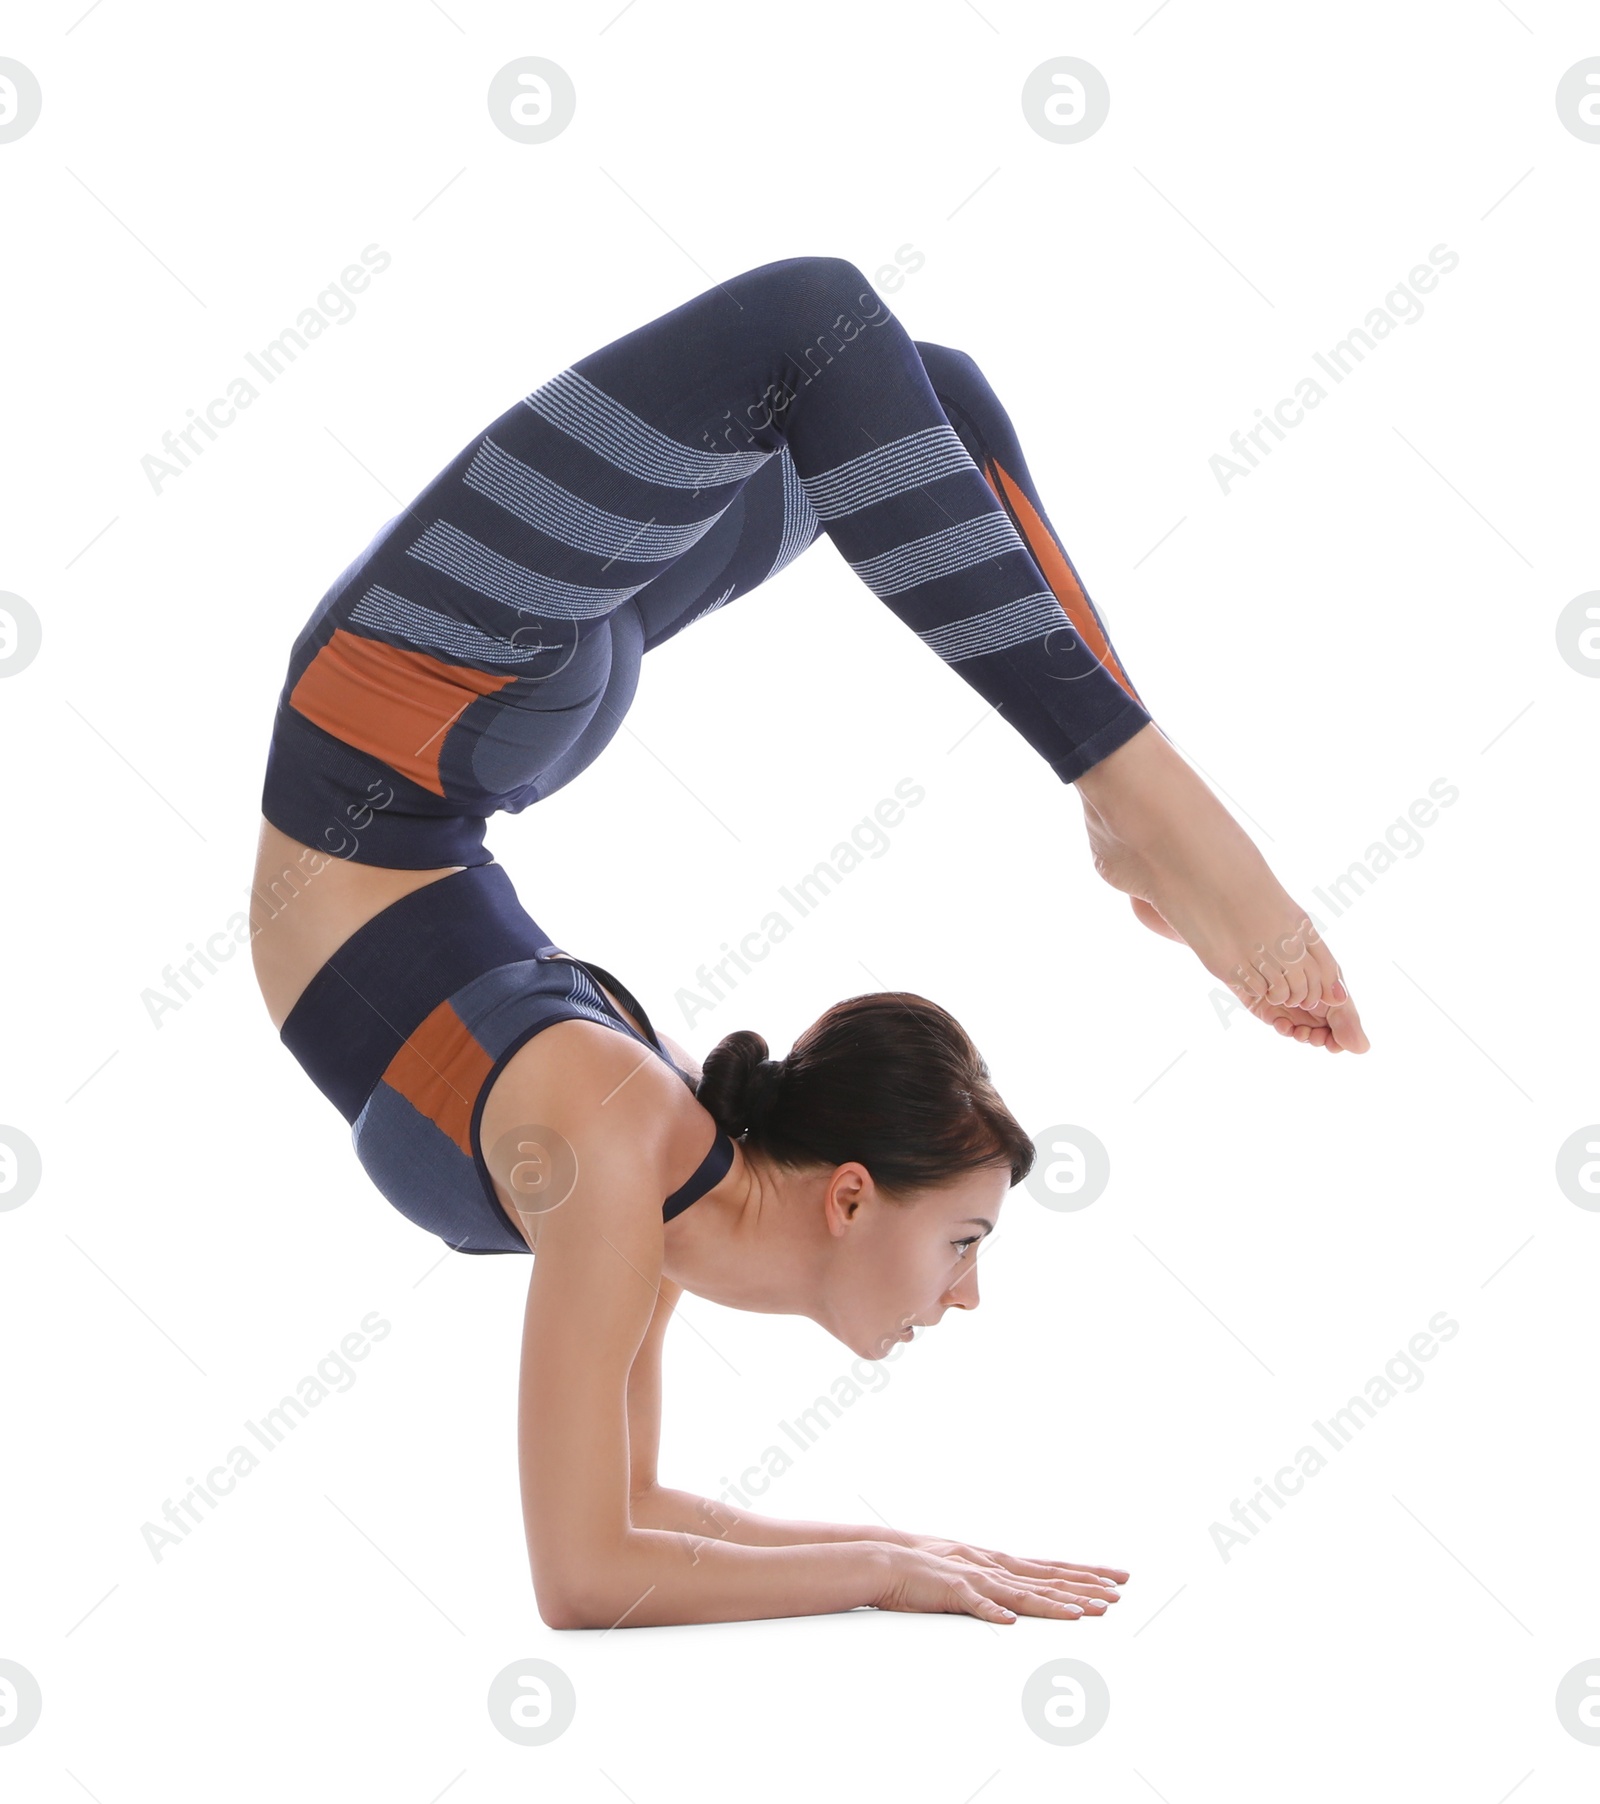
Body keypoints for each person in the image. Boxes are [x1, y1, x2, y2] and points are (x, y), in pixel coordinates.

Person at [250, 254, 1360, 1630]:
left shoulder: (633, 1173)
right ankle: (1129, 791)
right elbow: (591, 1573)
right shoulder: (630, 1153)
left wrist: (911, 1555)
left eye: (968, 1245)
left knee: (855, 361)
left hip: (412, 714)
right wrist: (889, 1573)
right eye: (964, 1242)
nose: (965, 1296)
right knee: (875, 367)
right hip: (425, 715)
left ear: (841, 1197)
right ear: (848, 1195)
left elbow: (627, 1530)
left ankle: (1123, 795)